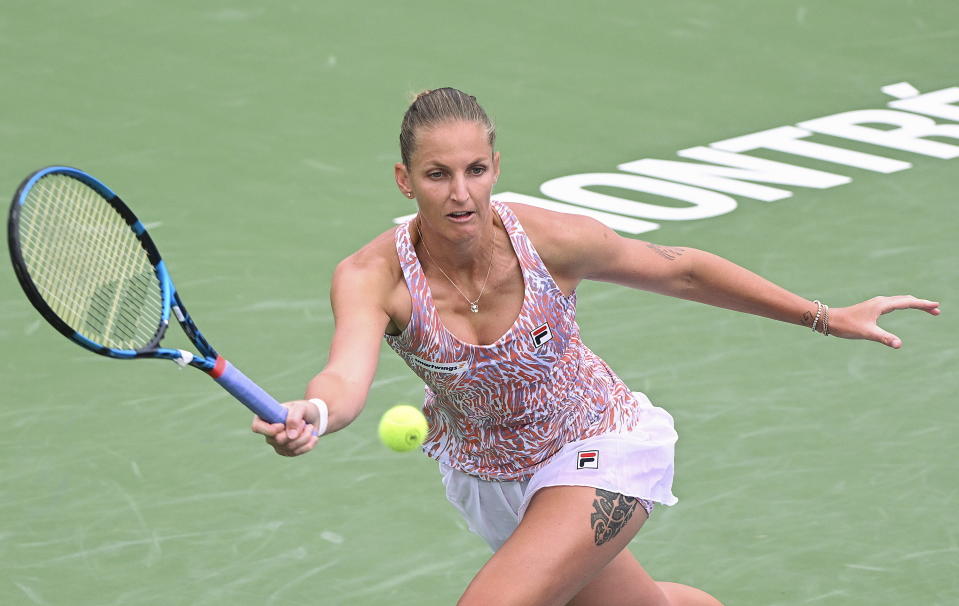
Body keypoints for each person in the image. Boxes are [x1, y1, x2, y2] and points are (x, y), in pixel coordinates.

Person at [251, 87, 940, 606]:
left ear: (495, 167)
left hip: (597, 442)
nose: (461, 194)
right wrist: (312, 413)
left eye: (475, 170)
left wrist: (824, 316)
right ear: (405, 181)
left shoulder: (550, 240)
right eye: (437, 175)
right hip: (492, 478)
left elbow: (679, 268)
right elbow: (345, 376)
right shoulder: (372, 277)